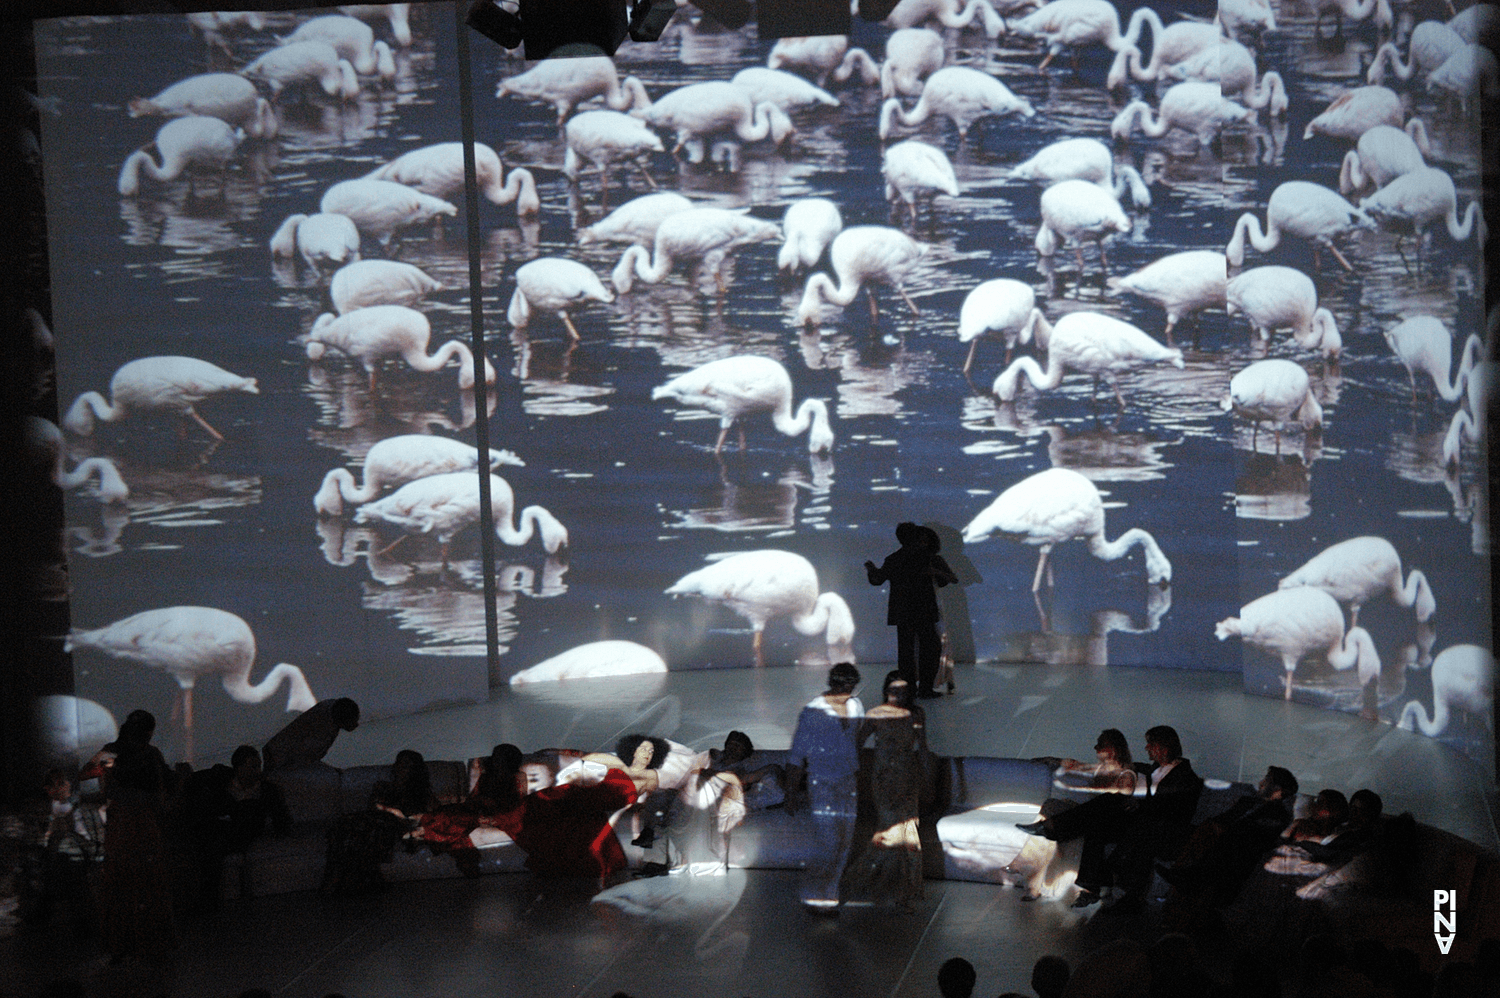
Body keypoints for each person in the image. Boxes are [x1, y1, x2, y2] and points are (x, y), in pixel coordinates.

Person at [1017, 725, 1202, 909]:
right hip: (1137, 823)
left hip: (1158, 830)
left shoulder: (1188, 778)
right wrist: (1054, 760)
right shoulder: (1151, 769)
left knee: (1109, 802)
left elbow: (1174, 810)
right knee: (1097, 822)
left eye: (1150, 744)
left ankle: (1053, 827)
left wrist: (1140, 805)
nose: (1146, 748)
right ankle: (1090, 887)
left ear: (1164, 746)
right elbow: (1089, 766)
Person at [1010, 729, 1137, 900]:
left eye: (1099, 744)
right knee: (1051, 806)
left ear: (1111, 749)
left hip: (1110, 821)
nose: (1095, 748)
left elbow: (1121, 800)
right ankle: (1037, 854)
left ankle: (1050, 830)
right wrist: (1050, 760)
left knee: (1107, 801)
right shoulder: (1099, 769)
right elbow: (1073, 764)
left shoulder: (1127, 773)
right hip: (1089, 817)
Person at [92, 709, 175, 963]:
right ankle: (150, 943)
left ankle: (120, 944)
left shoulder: (110, 752)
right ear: (149, 732)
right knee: (148, 884)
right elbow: (162, 793)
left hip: (121, 826)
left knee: (120, 885)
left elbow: (100, 784)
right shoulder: (151, 754)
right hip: (144, 825)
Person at [1159, 765, 1297, 908]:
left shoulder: (1278, 814)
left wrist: (1226, 831)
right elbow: (1225, 818)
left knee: (1226, 844)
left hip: (1240, 853)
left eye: (1267, 780)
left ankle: (1190, 880)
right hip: (1225, 842)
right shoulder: (1249, 801)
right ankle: (1186, 879)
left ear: (1277, 788)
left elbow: (1257, 836)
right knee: (1206, 832)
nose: (1262, 783)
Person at [786, 662, 864, 909]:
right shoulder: (812, 712)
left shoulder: (855, 706)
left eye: (851, 685)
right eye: (842, 684)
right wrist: (790, 791)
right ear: (832, 683)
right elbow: (797, 755)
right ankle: (813, 892)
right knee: (828, 839)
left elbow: (855, 738)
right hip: (821, 783)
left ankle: (829, 894)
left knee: (845, 840)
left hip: (847, 780)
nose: (847, 690)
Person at [845, 672, 924, 907]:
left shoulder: (916, 713)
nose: (899, 695)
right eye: (894, 690)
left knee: (910, 833)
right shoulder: (875, 715)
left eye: (903, 690)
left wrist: (926, 775)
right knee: (892, 833)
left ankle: (905, 892)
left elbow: (923, 746)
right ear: (886, 690)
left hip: (909, 777)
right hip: (885, 779)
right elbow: (856, 745)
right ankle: (862, 884)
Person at [184, 745, 290, 907]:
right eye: (252, 766)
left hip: (242, 830)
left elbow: (281, 819)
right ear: (239, 768)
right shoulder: (222, 779)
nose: (257, 771)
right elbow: (197, 781)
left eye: (258, 766)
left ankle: (207, 900)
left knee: (214, 845)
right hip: (217, 826)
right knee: (201, 838)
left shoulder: (266, 790)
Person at [322, 748, 437, 895]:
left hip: (395, 824)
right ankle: (355, 879)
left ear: (415, 770)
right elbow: (374, 807)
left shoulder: (422, 793)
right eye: (399, 764)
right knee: (349, 826)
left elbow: (434, 814)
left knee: (371, 826)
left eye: (406, 765)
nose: (401, 768)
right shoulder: (383, 786)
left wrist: (404, 817)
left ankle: (341, 881)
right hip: (376, 819)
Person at [865, 522, 956, 698]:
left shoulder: (894, 559)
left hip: (902, 612)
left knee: (906, 651)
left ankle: (909, 689)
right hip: (925, 610)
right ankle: (926, 688)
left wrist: (871, 570)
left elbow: (877, 580)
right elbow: (950, 579)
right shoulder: (928, 557)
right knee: (929, 650)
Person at [416, 743, 524, 877]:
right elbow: (473, 799)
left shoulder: (517, 776)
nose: (496, 760)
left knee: (457, 819)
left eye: (500, 757)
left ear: (509, 760)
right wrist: (479, 802)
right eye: (495, 757)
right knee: (446, 813)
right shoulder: (486, 776)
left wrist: (492, 809)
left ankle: (434, 837)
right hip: (478, 810)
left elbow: (518, 802)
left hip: (501, 813)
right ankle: (430, 833)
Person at [262, 697, 359, 771]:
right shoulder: (321, 724)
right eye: (352, 721)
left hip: (279, 756)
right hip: (279, 760)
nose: (356, 724)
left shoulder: (329, 713)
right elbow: (307, 756)